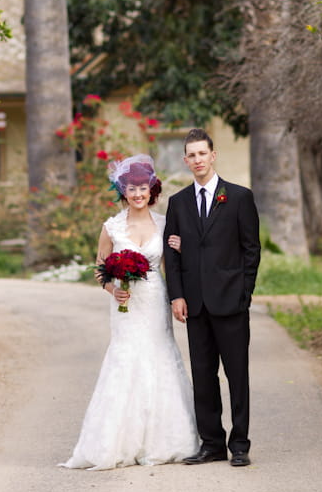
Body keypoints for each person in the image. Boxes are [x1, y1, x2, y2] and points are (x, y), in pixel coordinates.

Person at [59, 154, 199, 471]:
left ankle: (163, 441)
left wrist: (180, 255)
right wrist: (112, 289)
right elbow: (99, 269)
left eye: (143, 188)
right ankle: (117, 442)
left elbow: (170, 268)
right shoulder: (111, 227)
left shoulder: (165, 224)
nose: (138, 194)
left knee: (159, 356)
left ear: (152, 191)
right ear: (124, 191)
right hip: (125, 305)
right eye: (132, 189)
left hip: (153, 299)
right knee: (125, 360)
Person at [163, 129, 261, 467]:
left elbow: (251, 250)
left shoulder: (238, 197)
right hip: (195, 305)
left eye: (202, 154)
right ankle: (212, 443)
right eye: (191, 155)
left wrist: (244, 293)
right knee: (203, 376)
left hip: (231, 303)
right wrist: (176, 296)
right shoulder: (177, 203)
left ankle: (240, 445)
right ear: (185, 160)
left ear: (213, 155)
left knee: (237, 375)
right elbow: (171, 255)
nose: (197, 160)